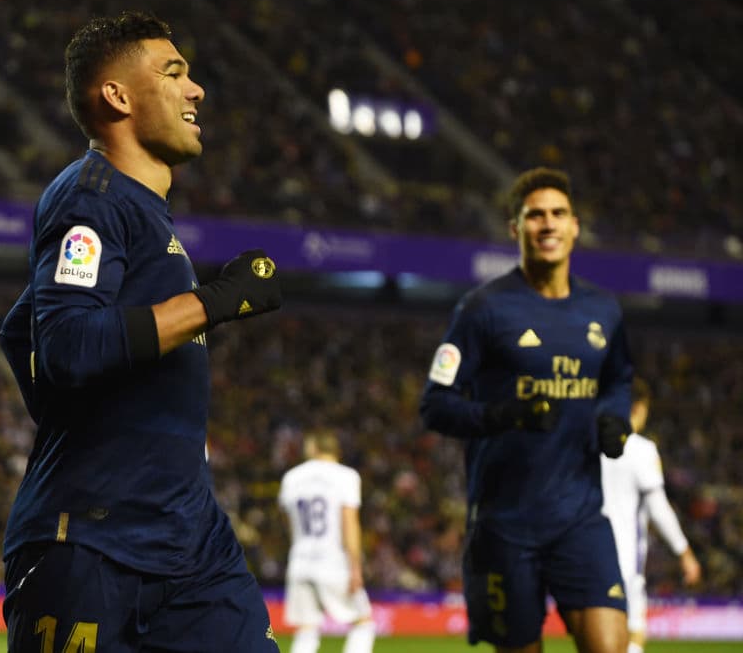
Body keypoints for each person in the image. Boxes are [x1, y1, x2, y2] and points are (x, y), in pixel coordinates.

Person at [0, 11, 282, 652]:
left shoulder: (141, 213)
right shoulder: (92, 196)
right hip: (92, 541)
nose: (196, 89)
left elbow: (20, 329)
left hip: (186, 535)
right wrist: (217, 302)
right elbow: (65, 344)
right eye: (173, 72)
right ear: (118, 96)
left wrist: (73, 413)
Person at [420, 166, 635, 653]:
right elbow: (434, 405)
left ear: (575, 225)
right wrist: (502, 415)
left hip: (581, 519)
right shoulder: (482, 310)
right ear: (516, 229)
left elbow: (618, 379)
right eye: (535, 215)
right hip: (504, 526)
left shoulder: (604, 311)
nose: (548, 225)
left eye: (558, 214)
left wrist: (615, 419)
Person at [601, 376, 702, 653]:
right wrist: (685, 553)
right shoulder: (641, 450)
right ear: (636, 408)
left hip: (587, 558)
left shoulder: (588, 447)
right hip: (624, 561)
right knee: (634, 636)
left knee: (599, 638)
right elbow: (658, 508)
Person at [277, 430, 376, 653]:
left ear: (313, 447)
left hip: (300, 561)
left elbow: (287, 523)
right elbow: (349, 524)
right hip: (333, 561)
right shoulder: (346, 476)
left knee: (307, 630)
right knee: (363, 623)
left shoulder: (291, 477)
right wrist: (355, 567)